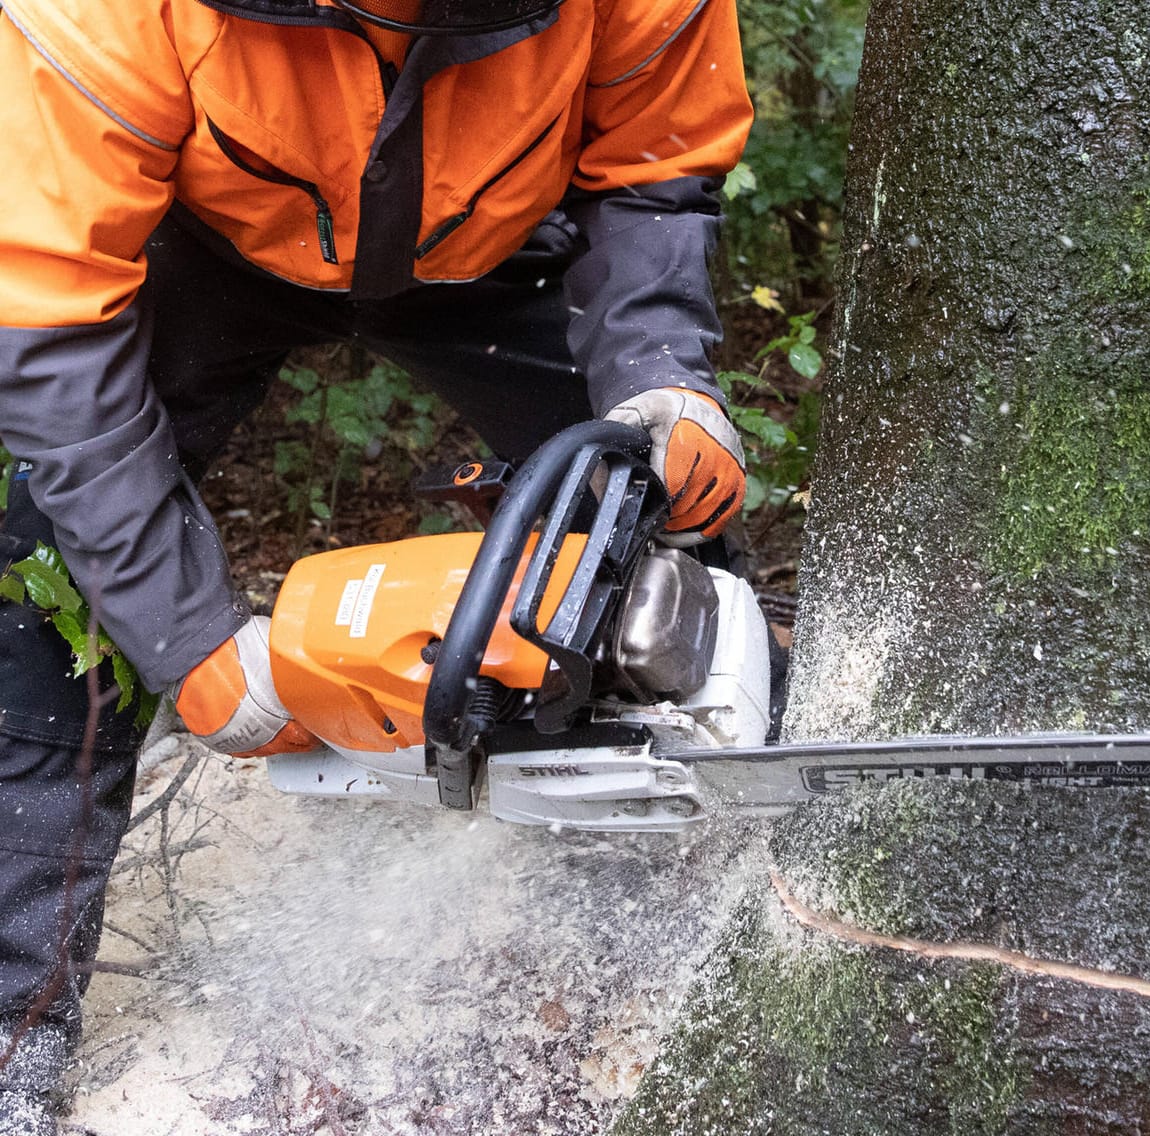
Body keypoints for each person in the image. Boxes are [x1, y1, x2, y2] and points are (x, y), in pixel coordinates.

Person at [0, 0, 753, 1128]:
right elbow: (50, 327)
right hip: (203, 235)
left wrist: (661, 364)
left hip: (502, 243)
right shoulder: (97, 14)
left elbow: (657, 165)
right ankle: (18, 1019)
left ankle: (644, 927)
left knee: (652, 520)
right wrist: (187, 630)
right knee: (42, 601)